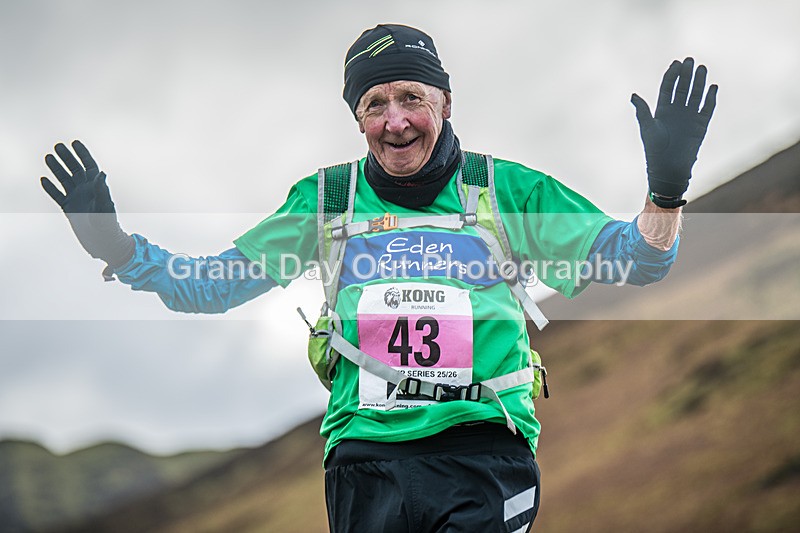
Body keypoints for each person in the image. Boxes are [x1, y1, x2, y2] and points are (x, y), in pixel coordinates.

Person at [40, 24, 716, 533]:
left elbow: (638, 259)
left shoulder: (508, 190)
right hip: (364, 462)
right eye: (374, 103)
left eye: (411, 97)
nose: (395, 121)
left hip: (483, 450)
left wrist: (665, 192)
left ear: (445, 101)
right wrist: (117, 248)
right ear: (357, 118)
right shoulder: (325, 200)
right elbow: (210, 285)